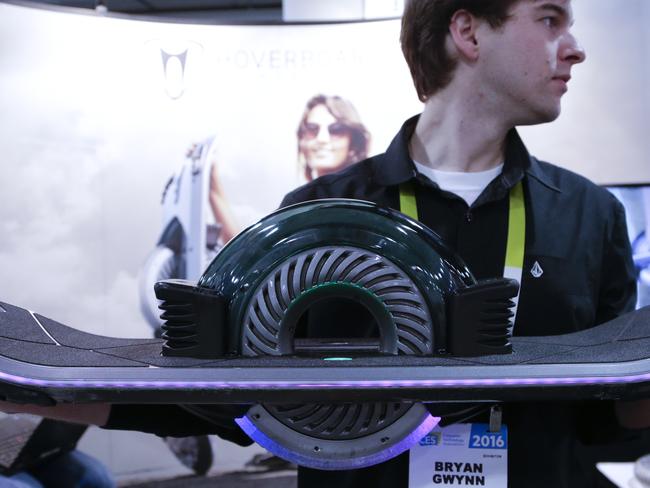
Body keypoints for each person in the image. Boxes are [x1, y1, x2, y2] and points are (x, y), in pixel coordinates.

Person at [2, 1, 649, 486]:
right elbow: (225, 404)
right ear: (469, 31)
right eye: (549, 18)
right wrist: (43, 392)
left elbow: (602, 422)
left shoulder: (589, 216)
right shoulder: (317, 218)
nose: (574, 48)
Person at [208, 94, 370, 244]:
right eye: (312, 129)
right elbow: (253, 258)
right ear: (301, 140)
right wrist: (213, 189)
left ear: (353, 142)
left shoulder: (371, 200)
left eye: (336, 130)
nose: (322, 139)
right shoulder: (297, 203)